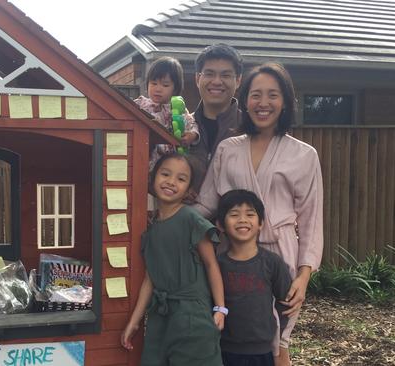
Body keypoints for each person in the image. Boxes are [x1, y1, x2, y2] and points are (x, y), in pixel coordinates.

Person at [194, 62, 324, 366]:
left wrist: (304, 276)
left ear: (286, 102)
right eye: (255, 95)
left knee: (278, 342)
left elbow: (311, 219)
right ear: (245, 99)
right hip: (231, 258)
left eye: (272, 95)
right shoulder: (228, 149)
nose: (263, 103)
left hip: (280, 258)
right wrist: (171, 219)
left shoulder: (304, 155)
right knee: (232, 338)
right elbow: (206, 205)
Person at [121, 153, 226, 366]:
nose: (171, 182)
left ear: (189, 190)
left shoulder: (191, 220)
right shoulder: (151, 228)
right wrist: (134, 321)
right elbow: (151, 278)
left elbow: (211, 264)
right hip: (161, 315)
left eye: (181, 178)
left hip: (192, 316)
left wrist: (220, 308)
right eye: (165, 174)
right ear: (153, 178)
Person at [215, 189, 292, 366]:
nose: (242, 220)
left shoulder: (272, 263)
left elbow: (286, 302)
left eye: (250, 214)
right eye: (234, 214)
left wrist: (272, 332)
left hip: (262, 351)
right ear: (220, 224)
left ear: (261, 223)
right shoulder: (217, 265)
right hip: (225, 350)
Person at [190, 43, 244, 191]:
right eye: (209, 74)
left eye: (225, 75)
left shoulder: (250, 128)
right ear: (197, 79)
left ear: (238, 81)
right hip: (186, 213)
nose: (216, 82)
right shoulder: (181, 127)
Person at [134, 56, 199, 170]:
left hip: (169, 164)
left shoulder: (178, 108)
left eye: (165, 85)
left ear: (175, 88)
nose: (158, 89)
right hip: (144, 160)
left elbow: (191, 123)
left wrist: (192, 135)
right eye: (153, 83)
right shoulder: (140, 104)